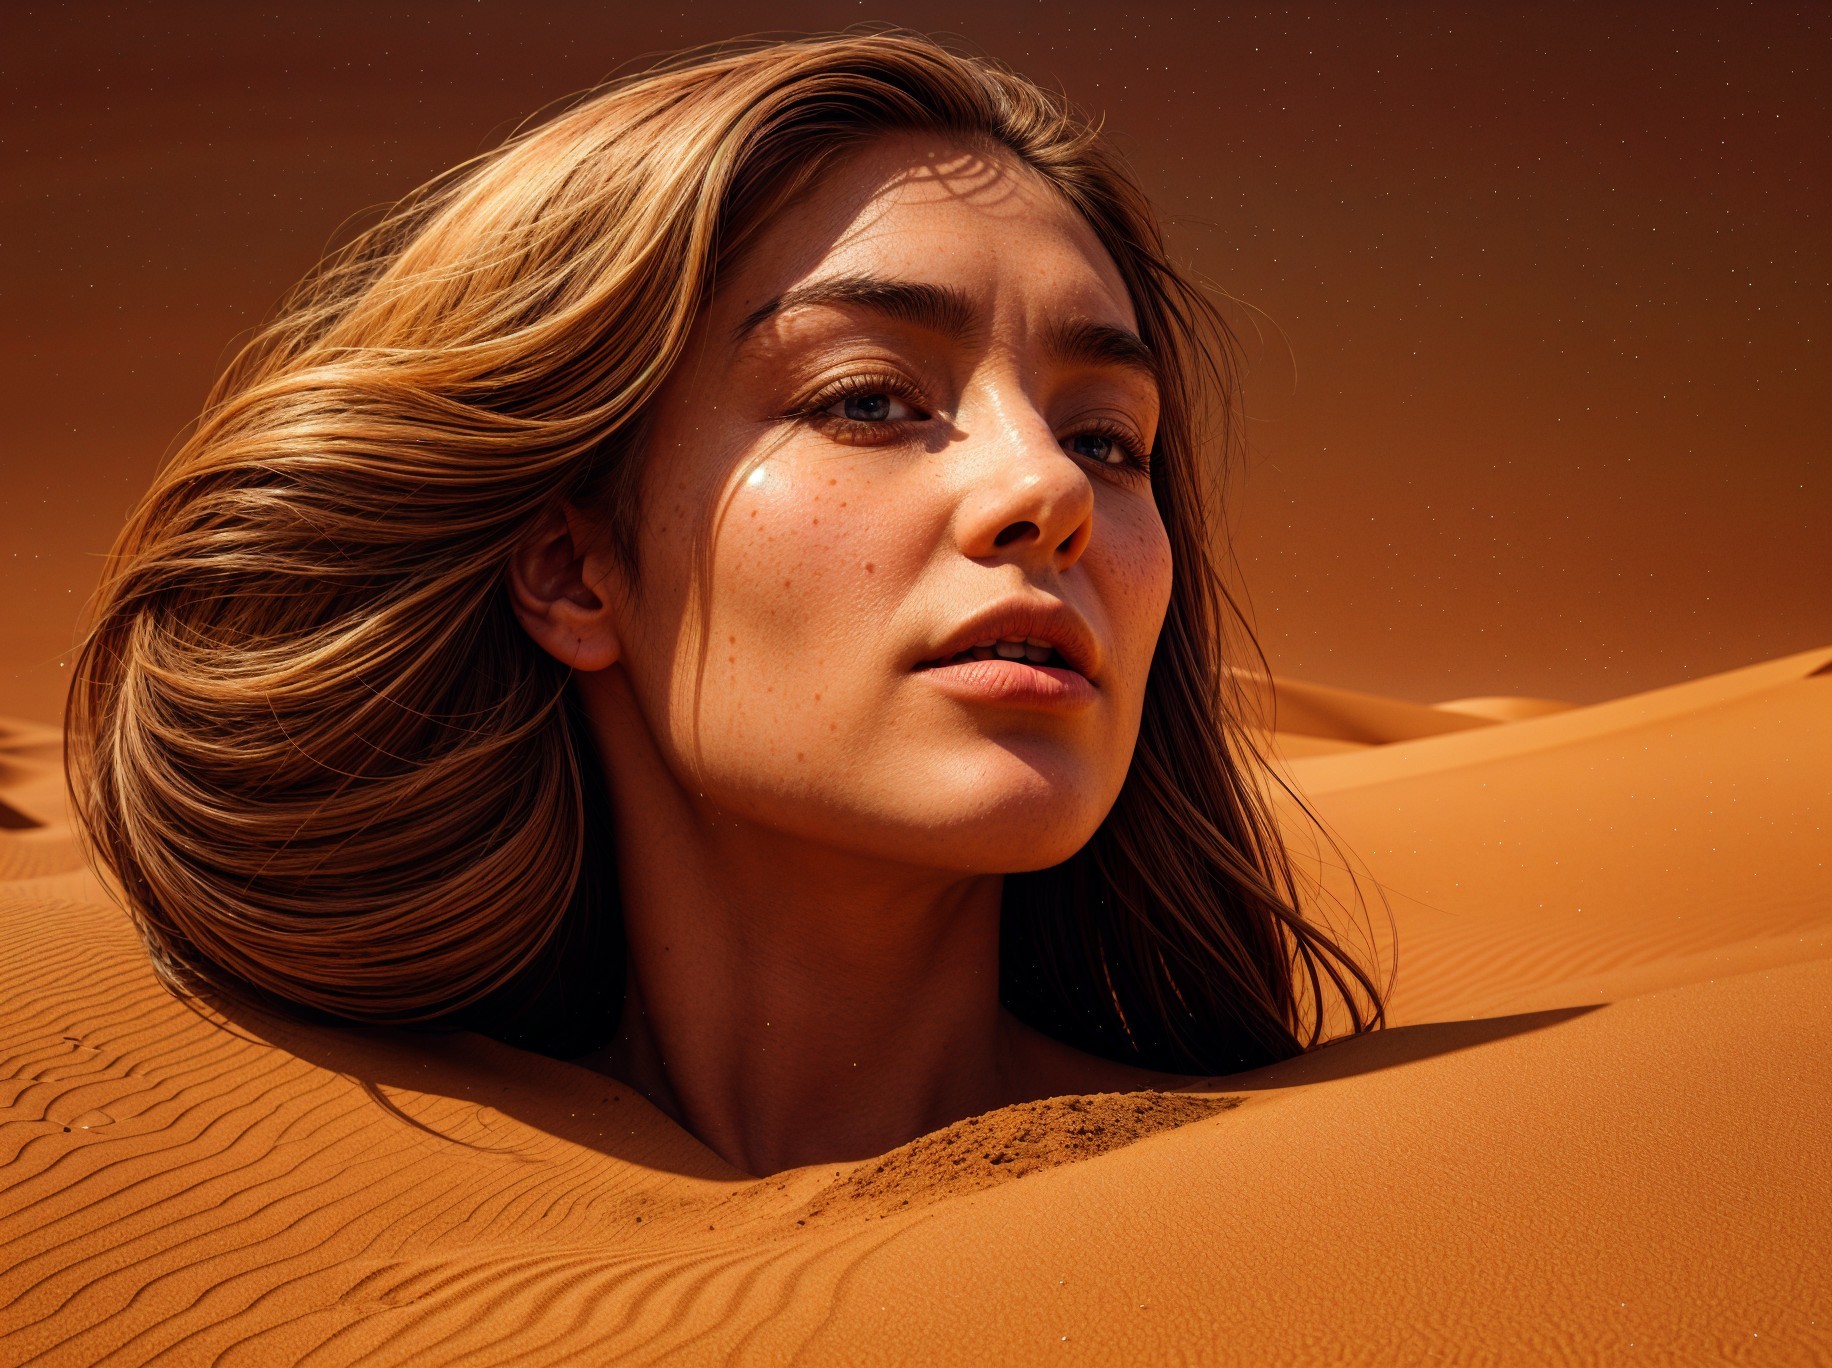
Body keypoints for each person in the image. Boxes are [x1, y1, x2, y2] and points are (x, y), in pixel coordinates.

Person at [66, 30, 1384, 1176]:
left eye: (1107, 437)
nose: (1047, 485)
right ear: (572, 571)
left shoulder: (1350, 1219)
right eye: (869, 400)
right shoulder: (341, 1257)